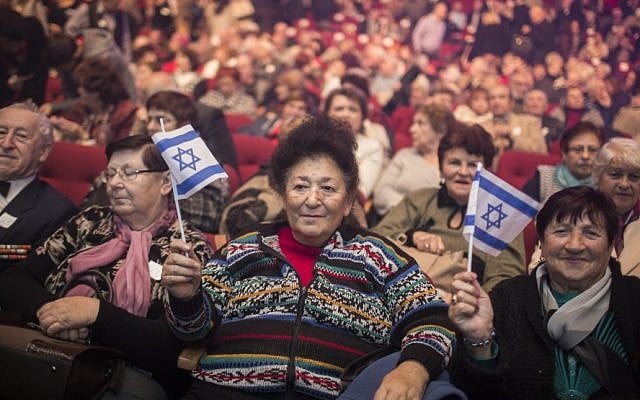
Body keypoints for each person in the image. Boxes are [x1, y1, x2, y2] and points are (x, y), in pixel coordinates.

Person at [160, 116, 458, 399]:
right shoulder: (243, 247)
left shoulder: (377, 255)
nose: (312, 200)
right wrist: (187, 299)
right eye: (300, 186)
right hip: (223, 391)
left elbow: (434, 320)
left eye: (327, 188)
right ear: (283, 194)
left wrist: (412, 370)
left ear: (348, 202)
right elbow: (193, 332)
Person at [0, 135, 214, 398]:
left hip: (126, 372)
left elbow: (170, 345)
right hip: (45, 347)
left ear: (165, 182)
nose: (114, 183)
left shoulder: (186, 248)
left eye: (129, 173)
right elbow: (14, 279)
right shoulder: (90, 221)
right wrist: (57, 314)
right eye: (110, 174)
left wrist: (96, 315)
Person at [448, 186, 640, 399]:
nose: (574, 245)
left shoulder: (634, 298)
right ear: (540, 241)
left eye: (591, 233)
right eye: (561, 231)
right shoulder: (507, 297)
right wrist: (478, 340)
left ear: (611, 243)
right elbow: (474, 392)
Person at [373, 123, 526, 294]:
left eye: (473, 165)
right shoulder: (420, 199)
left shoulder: (502, 216)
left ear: (487, 172)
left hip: (466, 301)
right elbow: (376, 237)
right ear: (440, 169)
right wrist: (411, 236)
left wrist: (474, 300)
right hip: (404, 290)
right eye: (454, 163)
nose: (463, 172)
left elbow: (506, 278)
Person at [85, 90, 233, 234]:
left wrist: (154, 196)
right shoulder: (145, 154)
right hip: (118, 230)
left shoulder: (201, 156)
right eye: (149, 119)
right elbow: (98, 190)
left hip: (178, 234)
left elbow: (211, 215)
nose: (150, 127)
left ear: (184, 125)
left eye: (162, 120)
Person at [0, 102, 77, 272]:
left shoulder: (59, 213)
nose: (6, 143)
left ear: (43, 151)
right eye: (1, 132)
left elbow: (26, 278)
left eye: (21, 136)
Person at [373, 104, 453, 217]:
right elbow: (381, 193)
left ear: (441, 131)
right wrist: (412, 210)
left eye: (420, 123)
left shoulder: (452, 165)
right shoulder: (404, 156)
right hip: (396, 219)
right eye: (413, 123)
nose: (411, 129)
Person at [49, 57, 137, 145]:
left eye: (83, 88)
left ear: (97, 92)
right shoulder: (81, 108)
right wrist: (60, 127)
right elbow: (66, 130)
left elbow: (121, 149)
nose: (79, 91)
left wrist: (83, 136)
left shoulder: (125, 114)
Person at [324, 86, 385, 201]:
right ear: (327, 114)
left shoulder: (372, 147)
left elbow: (362, 191)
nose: (345, 114)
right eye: (339, 109)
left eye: (353, 110)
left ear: (363, 117)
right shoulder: (315, 140)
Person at [592, 138, 640, 277]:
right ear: (598, 177)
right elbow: (541, 266)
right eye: (615, 175)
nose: (624, 184)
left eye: (634, 177)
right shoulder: (572, 214)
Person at [523, 122, 604, 203]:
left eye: (592, 150)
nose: (585, 156)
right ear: (564, 153)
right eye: (577, 149)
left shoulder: (604, 184)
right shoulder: (544, 178)